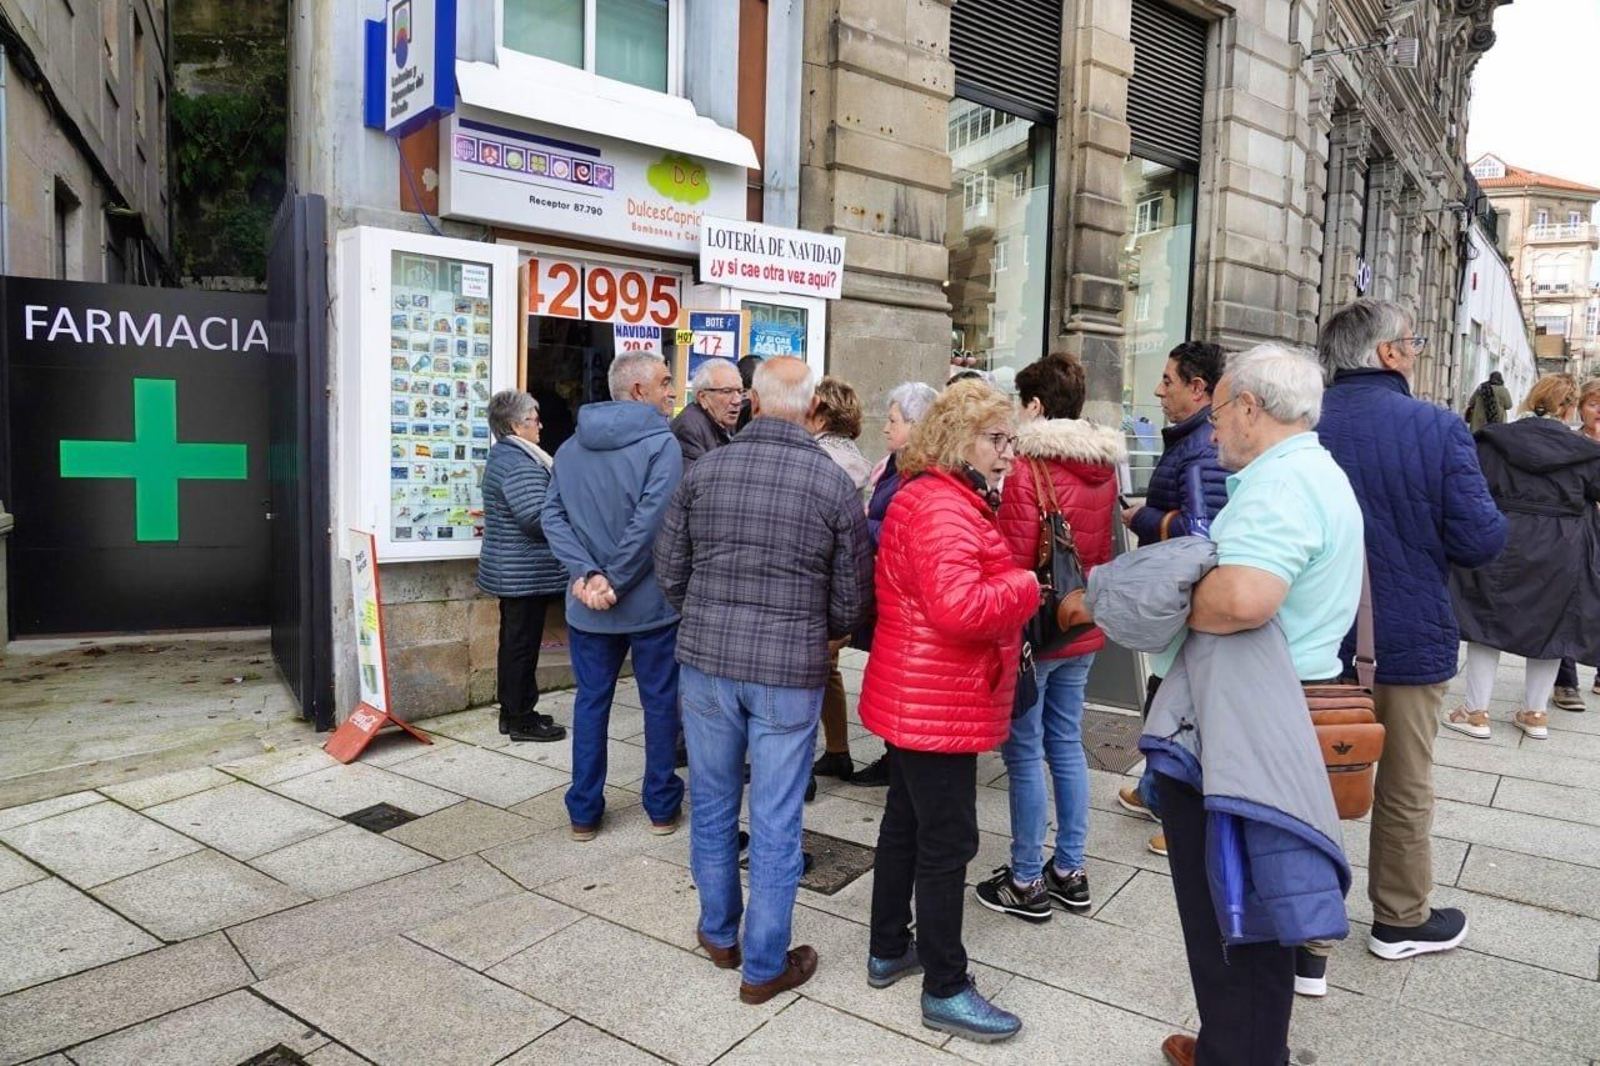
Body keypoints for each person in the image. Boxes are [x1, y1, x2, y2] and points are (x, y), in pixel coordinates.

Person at [1151, 344, 1363, 1066]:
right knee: (1251, 900)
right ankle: (1240, 1043)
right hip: (1269, 706)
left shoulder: (1281, 484)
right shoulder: (1309, 470)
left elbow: (1242, 599)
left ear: (1249, 407)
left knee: (1228, 901)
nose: (1212, 430)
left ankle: (1238, 1052)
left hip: (1247, 716)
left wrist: (1166, 596)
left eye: (1217, 414)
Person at [654, 357, 872, 1005]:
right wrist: (819, 631)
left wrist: (705, 616)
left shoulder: (706, 470)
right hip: (788, 670)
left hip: (709, 663)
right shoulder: (832, 483)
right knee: (777, 817)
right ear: (812, 408)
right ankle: (764, 963)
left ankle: (720, 933)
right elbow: (850, 600)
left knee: (713, 800)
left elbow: (670, 570)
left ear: (752, 401)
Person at [1312, 299, 1505, 982]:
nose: (1417, 352)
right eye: (1413, 342)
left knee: (1307, 779)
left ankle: (1305, 938)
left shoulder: (1300, 420)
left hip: (1308, 637)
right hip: (1407, 633)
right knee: (1403, 781)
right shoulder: (1437, 427)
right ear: (1389, 353)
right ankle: (1399, 917)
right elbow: (1480, 541)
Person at [860, 380, 1041, 1044]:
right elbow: (960, 608)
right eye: (997, 440)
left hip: (922, 694)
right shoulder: (942, 506)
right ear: (958, 439)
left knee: (906, 825)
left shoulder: (933, 495)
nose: (1008, 454)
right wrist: (1025, 585)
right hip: (935, 702)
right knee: (948, 842)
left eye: (1011, 440)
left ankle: (888, 948)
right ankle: (945, 987)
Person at [978, 352, 1124, 920]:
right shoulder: (1103, 469)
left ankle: (1025, 878)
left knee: (1023, 751)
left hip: (1033, 633)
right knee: (1065, 742)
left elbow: (1010, 561)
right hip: (1080, 622)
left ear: (1036, 405)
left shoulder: (1023, 468)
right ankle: (1071, 868)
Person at [541, 353, 686, 841]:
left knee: (591, 704)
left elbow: (552, 516)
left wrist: (586, 575)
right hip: (648, 605)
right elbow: (652, 524)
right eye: (665, 381)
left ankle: (584, 812)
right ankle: (661, 806)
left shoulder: (569, 447)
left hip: (589, 605)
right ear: (640, 390)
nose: (672, 390)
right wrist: (611, 580)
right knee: (660, 706)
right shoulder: (662, 445)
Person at [1116, 341, 1231, 858]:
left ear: (1197, 388)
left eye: (1168, 380)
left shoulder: (1203, 447)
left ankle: (1181, 816)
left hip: (1191, 598)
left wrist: (1141, 517)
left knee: (1177, 704)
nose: (1158, 390)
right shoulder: (1191, 439)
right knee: (1163, 692)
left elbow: (1199, 532)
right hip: (1178, 594)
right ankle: (1155, 791)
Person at [1450, 374, 1600, 744]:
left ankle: (1475, 712)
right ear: (1569, 408)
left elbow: (1471, 485)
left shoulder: (1495, 440)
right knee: (1553, 627)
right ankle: (1535, 714)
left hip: (1502, 534)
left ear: (1532, 399)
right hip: (1562, 546)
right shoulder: (1585, 451)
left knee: (1486, 621)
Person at [830, 381, 939, 788]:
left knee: (902, 679)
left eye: (894, 420)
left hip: (905, 594)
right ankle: (895, 756)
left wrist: (862, 524)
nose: (886, 427)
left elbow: (903, 528)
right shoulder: (898, 463)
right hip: (888, 588)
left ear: (917, 425)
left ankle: (899, 759)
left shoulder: (920, 472)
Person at [476, 390, 569, 744]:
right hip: (523, 572)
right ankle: (521, 720)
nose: (540, 426)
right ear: (516, 426)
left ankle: (514, 712)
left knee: (517, 643)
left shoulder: (509, 455)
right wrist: (568, 513)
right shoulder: (518, 461)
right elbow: (535, 517)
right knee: (521, 646)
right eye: (534, 419)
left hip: (518, 569)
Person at [804, 376, 874, 784]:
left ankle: (803, 767)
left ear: (821, 413)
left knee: (805, 675)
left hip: (817, 581)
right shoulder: (857, 458)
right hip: (844, 583)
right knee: (827, 669)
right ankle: (837, 750)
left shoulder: (817, 458)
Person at [1552, 376, 1600, 707]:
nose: (1599, 411)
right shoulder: (1569, 444)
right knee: (1568, 599)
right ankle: (1565, 680)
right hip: (1578, 531)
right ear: (1580, 408)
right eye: (1594, 404)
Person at [671, 358, 743, 464]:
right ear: (703, 397)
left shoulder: (726, 422)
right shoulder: (689, 428)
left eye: (740, 391)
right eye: (727, 391)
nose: (737, 400)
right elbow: (695, 473)